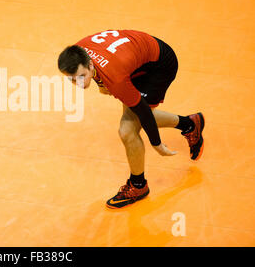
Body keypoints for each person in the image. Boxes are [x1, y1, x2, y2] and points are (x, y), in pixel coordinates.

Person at [57, 30, 205, 209]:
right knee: (130, 111)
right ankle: (190, 124)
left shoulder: (115, 77)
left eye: (82, 77)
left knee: (127, 130)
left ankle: (138, 186)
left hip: (159, 66)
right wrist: (101, 83)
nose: (79, 84)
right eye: (72, 79)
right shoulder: (78, 52)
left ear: (89, 63)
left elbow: (144, 112)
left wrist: (156, 143)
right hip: (136, 60)